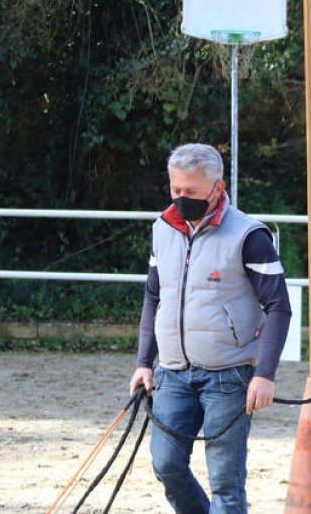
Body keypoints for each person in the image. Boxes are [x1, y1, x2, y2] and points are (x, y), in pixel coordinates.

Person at [129, 143, 292, 513]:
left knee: (226, 485)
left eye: (191, 192)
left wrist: (264, 375)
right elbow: (154, 297)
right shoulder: (162, 229)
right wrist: (143, 362)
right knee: (166, 466)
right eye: (175, 190)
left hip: (229, 376)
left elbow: (279, 307)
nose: (181, 199)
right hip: (171, 373)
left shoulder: (251, 237)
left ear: (217, 188)